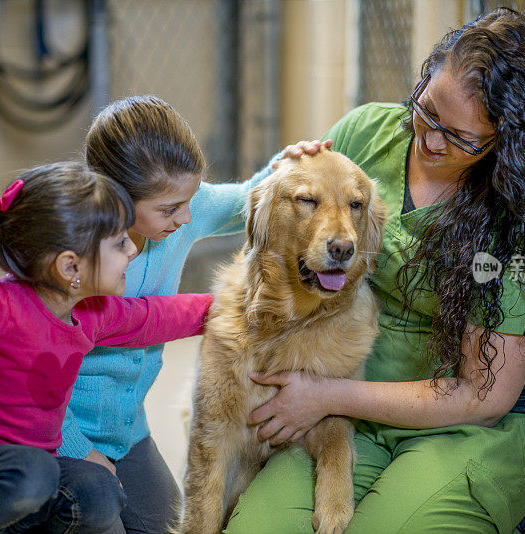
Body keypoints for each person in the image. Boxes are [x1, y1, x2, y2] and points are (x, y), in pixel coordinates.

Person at [225, 8, 525, 533]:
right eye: (427, 110)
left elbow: (482, 397)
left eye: (462, 138)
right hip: (353, 414)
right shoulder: (368, 133)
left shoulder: (514, 214)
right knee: (255, 528)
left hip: (470, 424)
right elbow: (285, 231)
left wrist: (326, 394)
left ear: (504, 142)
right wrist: (285, 174)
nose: (432, 140)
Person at [0, 162, 213, 534]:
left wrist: (233, 304)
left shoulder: (92, 313)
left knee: (100, 490)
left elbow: (153, 317)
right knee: (34, 472)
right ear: (69, 267)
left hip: (33, 473)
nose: (131, 250)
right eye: (119, 242)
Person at [60, 95, 327, 533]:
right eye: (169, 209)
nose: (186, 218)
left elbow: (246, 197)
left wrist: (287, 164)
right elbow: (36, 379)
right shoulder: (71, 254)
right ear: (115, 200)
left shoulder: (180, 207)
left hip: (127, 432)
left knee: (161, 520)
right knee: (96, 511)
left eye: (190, 200)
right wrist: (79, 451)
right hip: (58, 432)